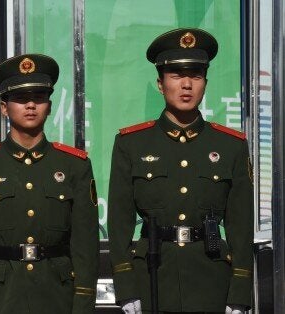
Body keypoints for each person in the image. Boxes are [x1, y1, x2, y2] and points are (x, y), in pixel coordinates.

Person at [108, 28, 253, 314]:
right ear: (160, 84)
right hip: (151, 277)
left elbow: (240, 225)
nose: (186, 84)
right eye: (176, 75)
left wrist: (239, 292)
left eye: (196, 75)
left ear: (205, 83)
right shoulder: (131, 143)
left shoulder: (231, 145)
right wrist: (125, 286)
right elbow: (119, 221)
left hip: (211, 282)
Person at [0, 54, 100, 314]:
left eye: (39, 97)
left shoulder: (74, 166)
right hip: (1, 297)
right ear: (3, 107)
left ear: (50, 105)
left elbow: (85, 244)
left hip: (57, 295)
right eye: (21, 99)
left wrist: (84, 302)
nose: (31, 105)